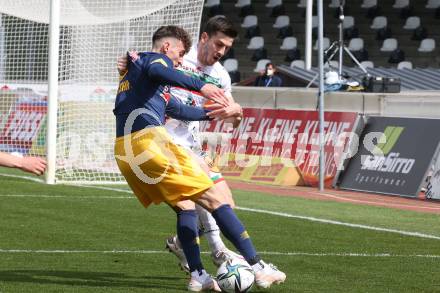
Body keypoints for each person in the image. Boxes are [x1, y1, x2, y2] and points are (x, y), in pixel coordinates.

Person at [114, 25, 286, 291]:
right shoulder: (154, 60)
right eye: (179, 53)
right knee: (217, 200)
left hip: (126, 152)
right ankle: (259, 267)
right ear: (166, 47)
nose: (181, 60)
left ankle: (199, 276)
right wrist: (203, 86)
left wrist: (215, 114)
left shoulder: (140, 77)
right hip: (150, 142)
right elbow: (161, 70)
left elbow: (178, 108)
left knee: (186, 206)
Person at [117, 15, 246, 274]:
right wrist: (125, 64)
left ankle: (183, 245)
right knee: (203, 200)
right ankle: (221, 252)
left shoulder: (221, 76)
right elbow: (144, 67)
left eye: (227, 49)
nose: (221, 52)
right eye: (219, 45)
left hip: (191, 142)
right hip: (162, 140)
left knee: (225, 203)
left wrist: (236, 113)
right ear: (204, 38)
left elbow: (230, 116)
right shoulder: (179, 57)